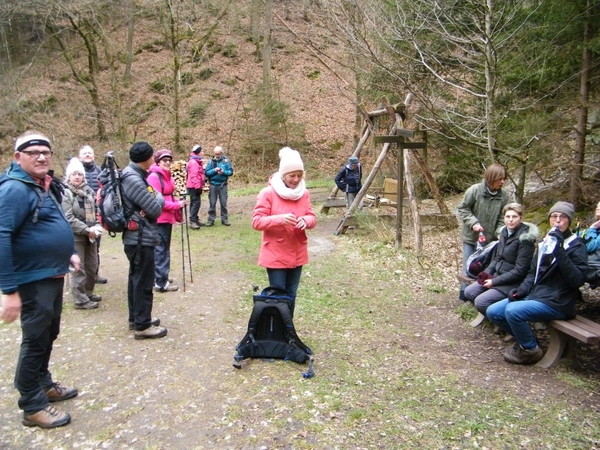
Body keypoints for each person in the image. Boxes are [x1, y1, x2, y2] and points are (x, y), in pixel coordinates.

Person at [0, 131, 81, 428]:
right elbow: (2, 235)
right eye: (33, 152)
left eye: (45, 152)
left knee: (49, 332)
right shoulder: (14, 189)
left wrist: (70, 251)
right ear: (17, 157)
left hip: (52, 272)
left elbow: (55, 222)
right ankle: (32, 404)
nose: (42, 156)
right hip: (31, 278)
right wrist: (8, 290)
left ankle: (43, 382)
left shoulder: (42, 185)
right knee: (35, 339)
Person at [486, 202, 588, 365]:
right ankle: (528, 341)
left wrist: (560, 251)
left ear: (569, 220)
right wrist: (521, 290)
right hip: (536, 294)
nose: (558, 221)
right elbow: (533, 273)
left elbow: (577, 280)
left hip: (558, 301)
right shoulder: (545, 243)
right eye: (554, 216)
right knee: (494, 311)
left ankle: (530, 350)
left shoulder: (577, 245)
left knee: (512, 311)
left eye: (562, 217)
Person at [251, 147, 317, 318]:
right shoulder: (268, 193)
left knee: (291, 295)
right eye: (292, 175)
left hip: (297, 251)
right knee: (278, 296)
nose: (296, 179)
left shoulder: (304, 193)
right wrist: (278, 219)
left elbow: (312, 217)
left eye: (299, 175)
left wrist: (306, 221)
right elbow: (256, 222)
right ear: (283, 175)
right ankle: (276, 333)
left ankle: (288, 331)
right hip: (275, 253)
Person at [121, 141, 168, 339]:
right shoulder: (133, 178)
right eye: (151, 156)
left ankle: (137, 318)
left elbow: (156, 197)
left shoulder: (138, 176)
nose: (153, 159)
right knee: (143, 281)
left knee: (137, 278)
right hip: (139, 238)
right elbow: (157, 207)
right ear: (146, 158)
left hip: (139, 236)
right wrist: (153, 202)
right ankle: (142, 325)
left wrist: (153, 201)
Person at [464, 203, 538, 315]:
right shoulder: (504, 232)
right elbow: (498, 257)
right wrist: (486, 273)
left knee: (481, 302)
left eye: (514, 217)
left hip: (513, 283)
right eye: (508, 217)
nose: (511, 220)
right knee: (469, 292)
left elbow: (521, 270)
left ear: (521, 218)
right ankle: (493, 316)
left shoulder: (525, 239)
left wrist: (494, 282)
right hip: (498, 275)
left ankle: (502, 320)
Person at [456, 163, 509, 300]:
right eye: (500, 179)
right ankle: (464, 296)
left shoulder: (504, 196)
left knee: (484, 268)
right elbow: (463, 209)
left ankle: (477, 295)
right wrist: (473, 223)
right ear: (492, 178)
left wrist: (499, 232)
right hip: (471, 237)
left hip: (490, 240)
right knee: (468, 267)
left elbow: (503, 217)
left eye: (504, 178)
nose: (502, 182)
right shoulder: (474, 190)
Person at [62, 157, 104, 310]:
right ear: (69, 176)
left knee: (92, 266)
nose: (77, 177)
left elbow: (97, 209)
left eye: (80, 174)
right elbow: (68, 217)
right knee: (79, 268)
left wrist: (98, 224)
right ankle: (80, 299)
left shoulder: (88, 191)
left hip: (91, 235)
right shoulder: (66, 193)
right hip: (76, 236)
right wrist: (87, 230)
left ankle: (88, 292)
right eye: (74, 174)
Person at [148, 149, 188, 292]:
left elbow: (168, 197)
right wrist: (177, 205)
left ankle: (159, 276)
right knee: (161, 251)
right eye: (164, 160)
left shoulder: (167, 175)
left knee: (162, 249)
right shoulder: (153, 177)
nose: (167, 162)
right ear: (157, 161)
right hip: (159, 219)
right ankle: (161, 282)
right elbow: (157, 201)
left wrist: (178, 201)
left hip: (166, 219)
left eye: (169, 160)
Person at [78, 145, 108, 284]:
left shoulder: (99, 171)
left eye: (90, 153)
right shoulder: (76, 172)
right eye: (85, 153)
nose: (88, 155)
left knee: (96, 244)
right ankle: (82, 276)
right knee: (80, 246)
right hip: (79, 212)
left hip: (96, 212)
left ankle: (94, 273)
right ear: (80, 156)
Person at [205, 145, 233, 226]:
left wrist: (223, 172)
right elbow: (207, 173)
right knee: (212, 203)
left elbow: (230, 172)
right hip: (213, 185)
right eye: (215, 154)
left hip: (223, 185)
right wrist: (214, 170)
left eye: (218, 154)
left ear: (221, 153)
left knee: (223, 203)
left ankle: (224, 219)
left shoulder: (226, 161)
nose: (217, 156)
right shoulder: (211, 162)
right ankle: (211, 219)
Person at [186, 144, 205, 229]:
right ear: (199, 152)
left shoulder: (195, 161)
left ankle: (195, 219)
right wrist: (198, 187)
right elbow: (194, 175)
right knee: (195, 203)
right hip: (194, 186)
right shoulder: (194, 162)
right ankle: (192, 221)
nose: (203, 152)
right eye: (202, 151)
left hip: (193, 185)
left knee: (194, 203)